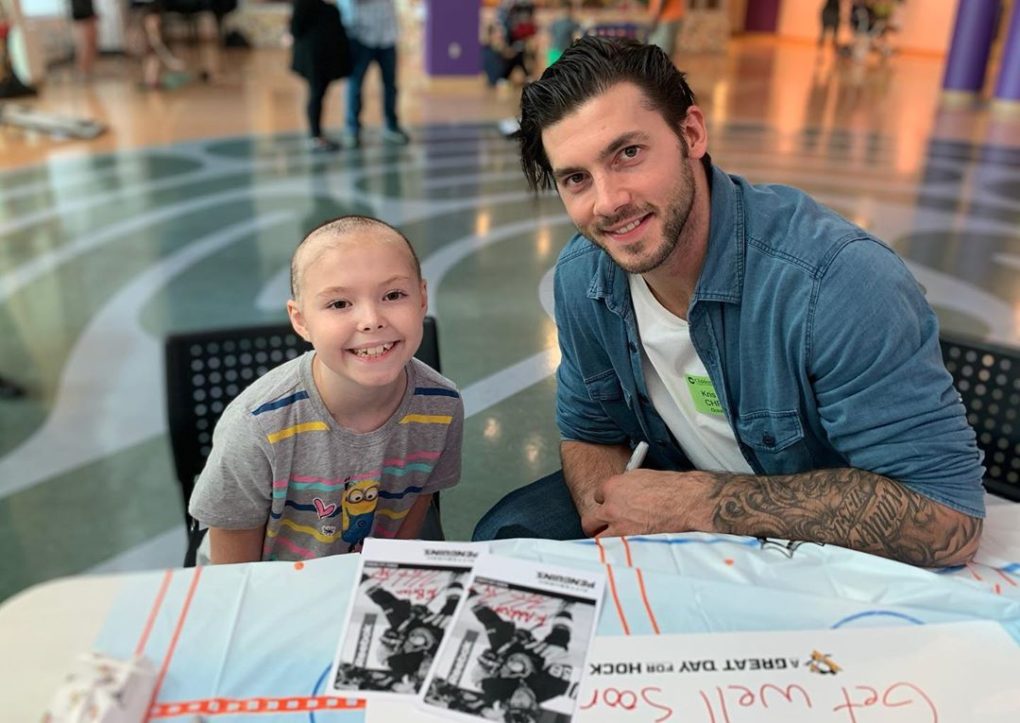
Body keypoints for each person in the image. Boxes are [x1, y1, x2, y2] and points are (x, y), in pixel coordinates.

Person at [473, 36, 984, 568]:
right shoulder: (583, 278)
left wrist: (696, 504)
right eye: (577, 178)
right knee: (503, 541)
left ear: (691, 133)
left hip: (825, 542)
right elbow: (589, 433)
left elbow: (947, 514)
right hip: (673, 509)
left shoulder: (835, 281)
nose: (608, 202)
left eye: (628, 154)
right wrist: (611, 526)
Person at [189, 215, 464, 563]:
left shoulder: (442, 407)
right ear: (300, 319)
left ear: (422, 298)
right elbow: (234, 575)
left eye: (393, 295)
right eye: (339, 304)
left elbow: (409, 523)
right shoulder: (257, 426)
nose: (370, 319)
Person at [338, 0, 409, 147]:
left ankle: (391, 125)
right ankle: (352, 128)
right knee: (355, 84)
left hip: (387, 34)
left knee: (390, 85)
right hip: (360, 35)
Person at [289, 0, 351, 152]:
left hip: (323, 59)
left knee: (318, 94)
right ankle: (315, 136)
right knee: (316, 95)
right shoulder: (306, 5)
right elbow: (296, 29)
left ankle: (317, 134)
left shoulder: (327, 8)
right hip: (314, 59)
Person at [69, 0, 98, 78]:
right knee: (86, 45)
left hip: (85, 15)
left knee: (89, 44)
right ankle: (83, 70)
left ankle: (86, 70)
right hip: (83, 16)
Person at [546, 1, 580, 67]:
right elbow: (550, 37)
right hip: (555, 51)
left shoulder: (573, 23)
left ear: (571, 10)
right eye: (564, 9)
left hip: (566, 52)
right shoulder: (555, 23)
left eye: (568, 9)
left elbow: (576, 37)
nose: (565, 11)